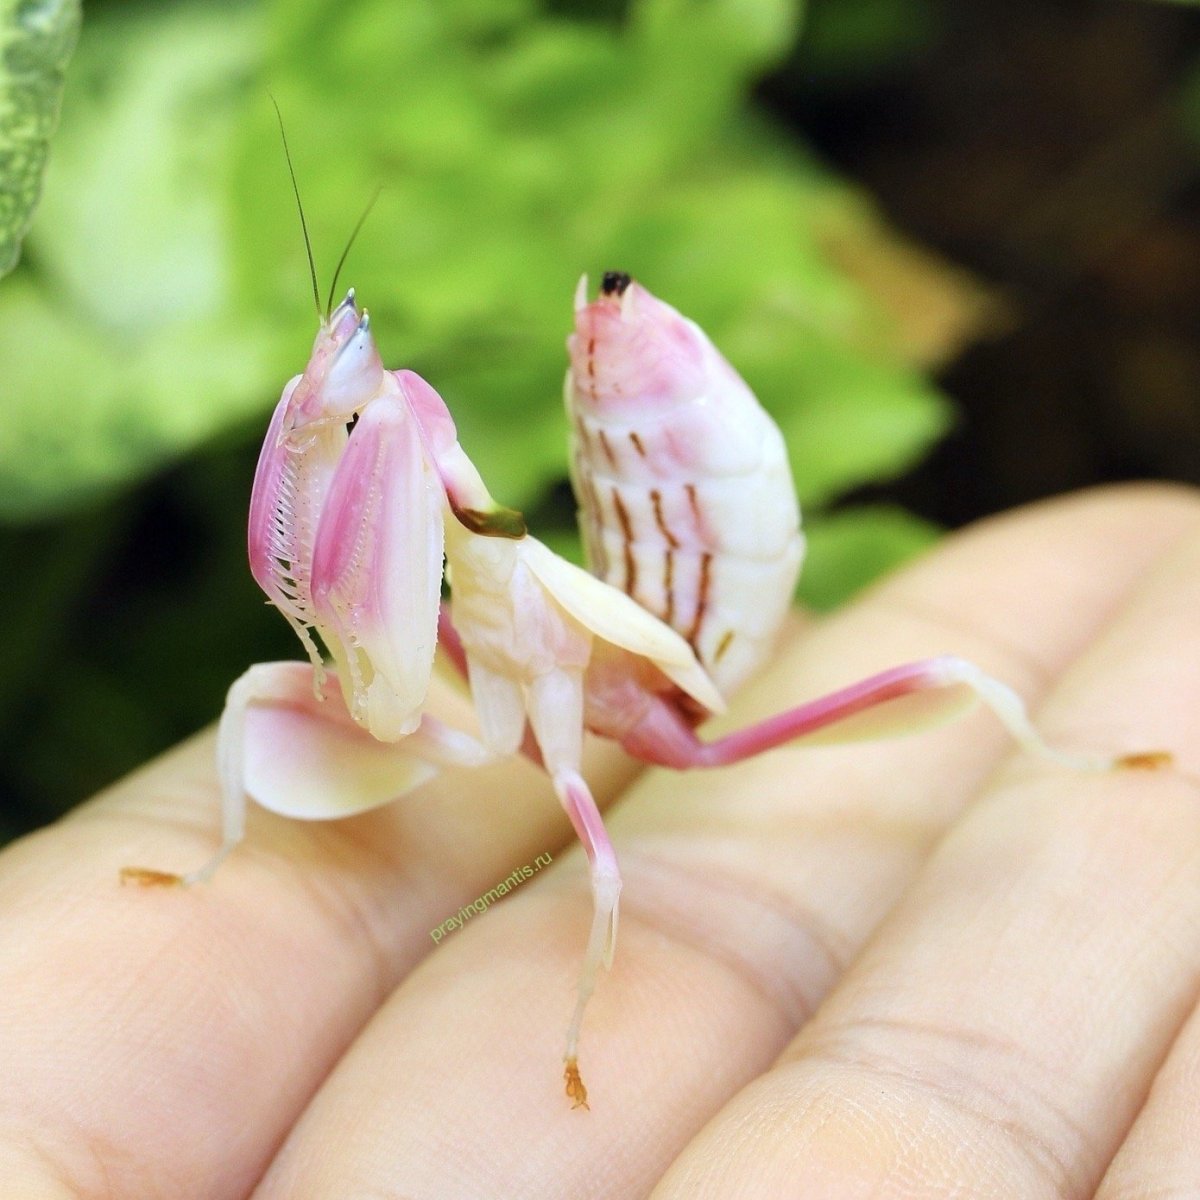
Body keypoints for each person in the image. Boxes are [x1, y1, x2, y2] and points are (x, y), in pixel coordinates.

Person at [1, 484, 1197, 1197]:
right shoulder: (467, 583)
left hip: (697, 733)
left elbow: (599, 859)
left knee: (951, 669)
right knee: (266, 688)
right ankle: (210, 853)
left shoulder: (526, 577)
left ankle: (1076, 759)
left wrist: (576, 1049)